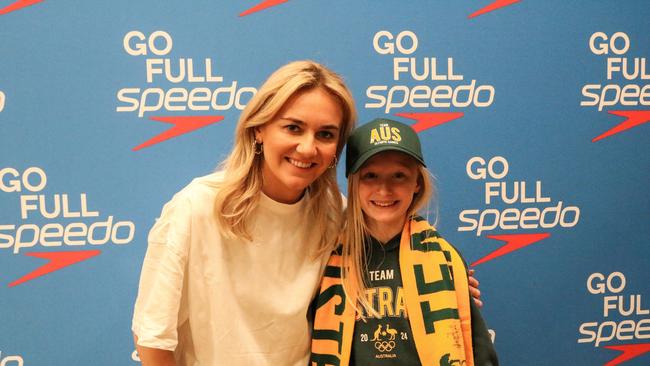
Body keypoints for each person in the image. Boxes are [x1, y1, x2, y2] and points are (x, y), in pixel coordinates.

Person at [132, 60, 357, 365]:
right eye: (293, 127)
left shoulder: (337, 215)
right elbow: (152, 338)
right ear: (259, 129)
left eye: (326, 135)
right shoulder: (196, 207)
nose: (307, 148)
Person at [310, 118, 498, 365]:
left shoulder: (442, 257)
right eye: (370, 175)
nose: (384, 189)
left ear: (417, 183)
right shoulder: (328, 259)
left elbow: (479, 349)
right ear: (353, 183)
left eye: (399, 175)